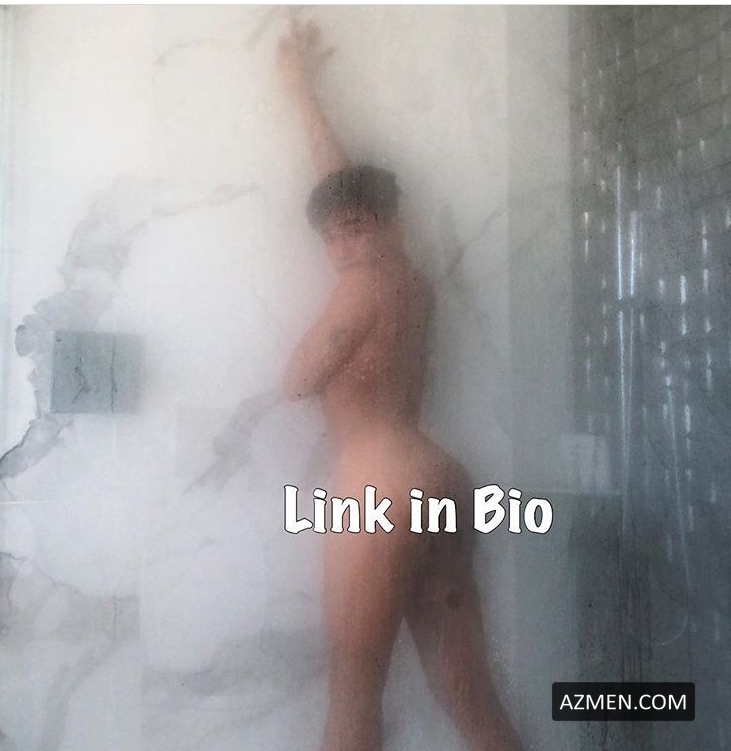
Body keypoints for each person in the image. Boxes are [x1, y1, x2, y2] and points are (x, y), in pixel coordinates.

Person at [277, 20, 522, 751]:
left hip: (377, 488)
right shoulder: (407, 278)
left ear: (388, 223)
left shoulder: (358, 287)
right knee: (473, 699)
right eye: (331, 236)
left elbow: (296, 381)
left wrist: (317, 344)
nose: (340, 247)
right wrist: (302, 94)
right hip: (438, 479)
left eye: (353, 231)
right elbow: (346, 196)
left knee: (353, 696)